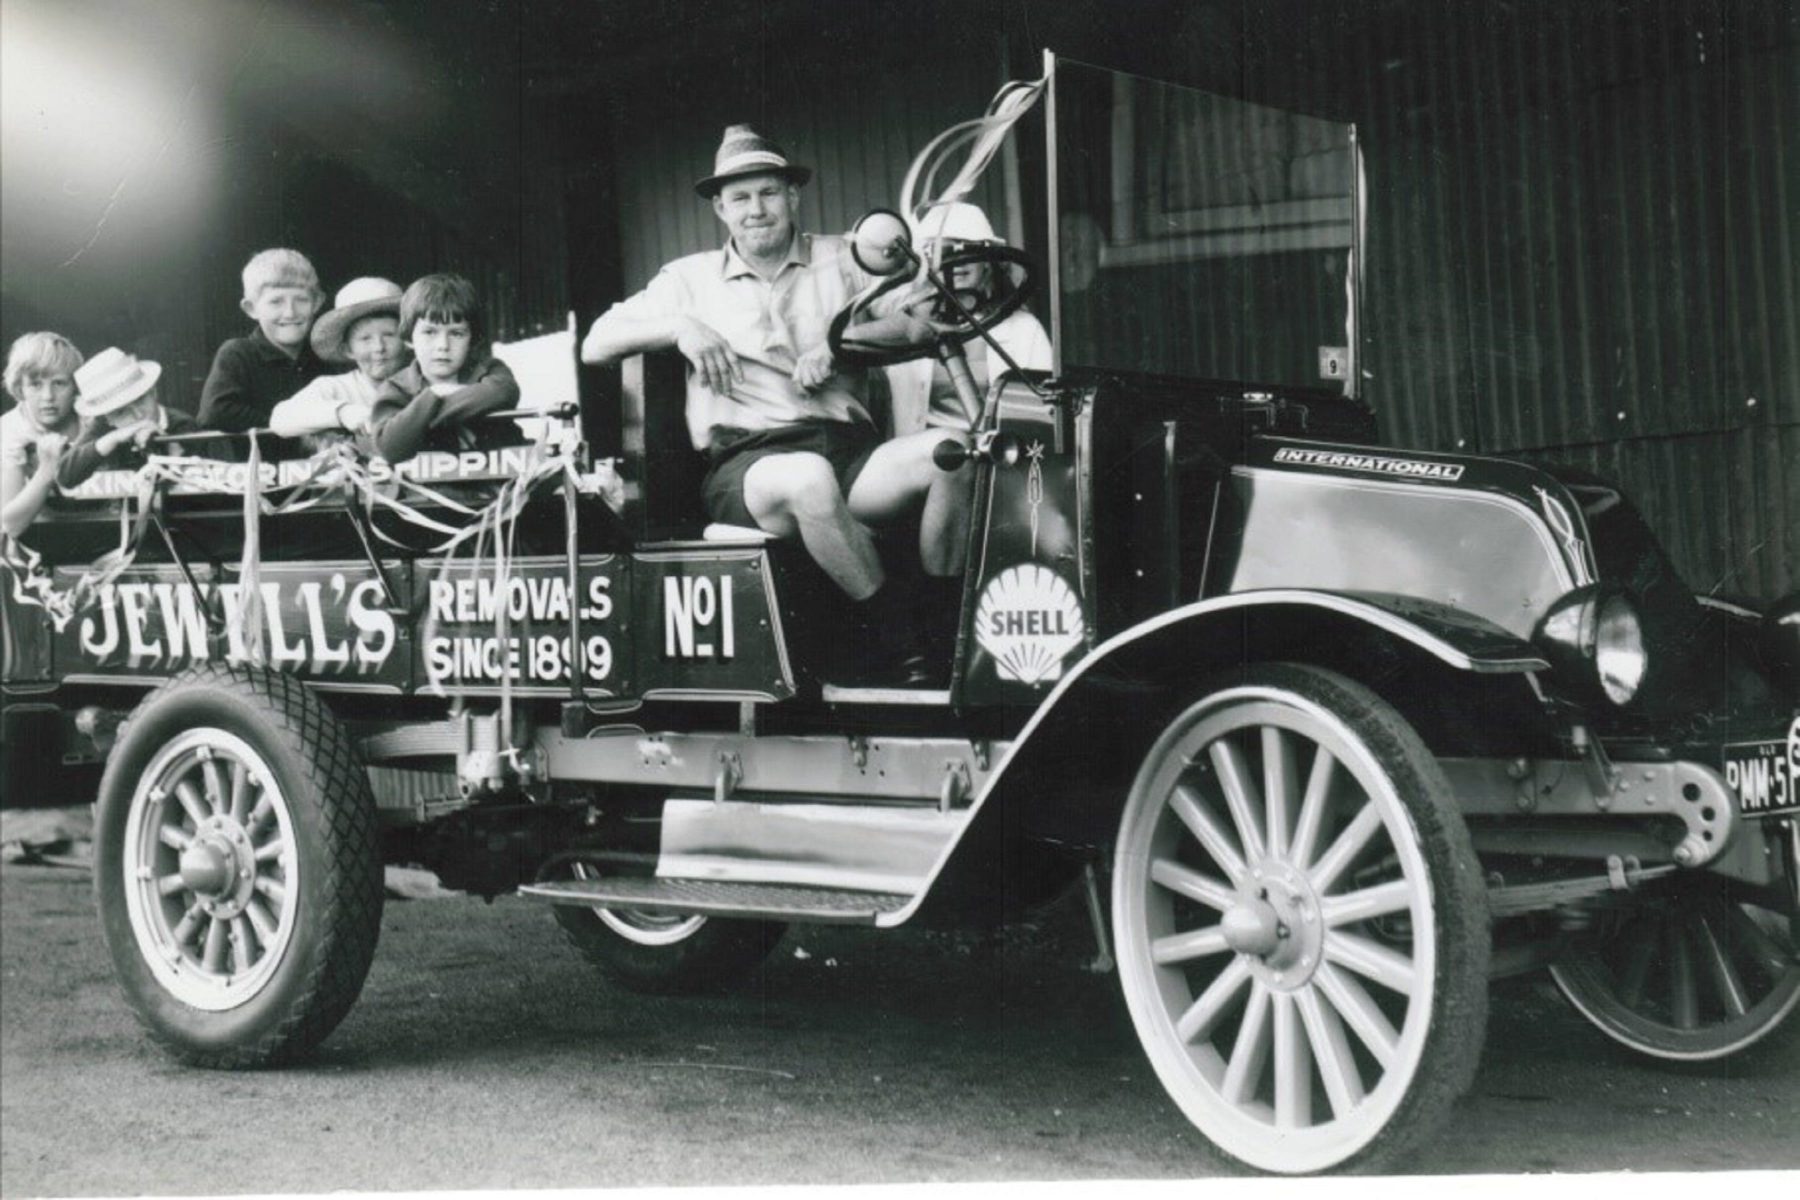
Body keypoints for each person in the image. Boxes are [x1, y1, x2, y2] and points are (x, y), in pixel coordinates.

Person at [580, 125, 967, 686]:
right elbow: (596, 343)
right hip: (749, 465)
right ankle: (899, 641)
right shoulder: (687, 279)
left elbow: (922, 322)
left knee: (952, 453)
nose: (755, 210)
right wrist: (680, 327)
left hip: (851, 453)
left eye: (768, 193)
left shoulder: (846, 258)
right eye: (739, 198)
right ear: (721, 209)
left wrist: (841, 346)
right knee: (808, 478)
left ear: (793, 196)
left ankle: (945, 630)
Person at [878, 202, 1051, 437]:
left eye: (965, 250)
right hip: (920, 455)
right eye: (942, 252)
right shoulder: (906, 325)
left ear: (987, 263)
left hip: (997, 457)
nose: (956, 262)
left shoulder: (1024, 330)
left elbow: (1042, 414)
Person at [368, 273, 520, 463]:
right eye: (430, 332)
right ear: (408, 338)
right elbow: (388, 446)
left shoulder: (488, 369)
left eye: (456, 333)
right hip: (430, 482)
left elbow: (503, 392)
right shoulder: (395, 388)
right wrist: (434, 394)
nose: (443, 345)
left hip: (501, 478)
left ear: (472, 339)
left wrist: (426, 415)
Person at [197, 248, 328, 459]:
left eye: (301, 300)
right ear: (251, 308)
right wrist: (292, 426)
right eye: (276, 301)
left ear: (317, 302)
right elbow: (214, 412)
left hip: (326, 473)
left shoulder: (324, 356)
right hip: (261, 475)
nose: (290, 312)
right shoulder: (238, 353)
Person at [268, 276, 407, 452]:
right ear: (348, 349)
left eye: (389, 335)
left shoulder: (420, 383)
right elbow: (280, 419)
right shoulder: (334, 387)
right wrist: (342, 412)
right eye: (365, 339)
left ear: (407, 340)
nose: (379, 347)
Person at [58, 348, 215, 488]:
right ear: (108, 418)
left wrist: (171, 449)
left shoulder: (183, 425)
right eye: (121, 412)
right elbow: (64, 475)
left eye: (140, 400)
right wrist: (113, 438)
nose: (138, 415)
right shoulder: (104, 427)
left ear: (153, 392)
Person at [1, 332, 83, 537]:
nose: (48, 397)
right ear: (20, 388)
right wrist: (47, 470)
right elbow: (9, 526)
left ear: (75, 386)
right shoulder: (9, 430)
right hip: (37, 543)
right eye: (36, 384)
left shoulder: (92, 416)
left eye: (59, 383)